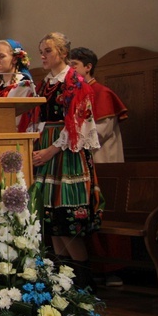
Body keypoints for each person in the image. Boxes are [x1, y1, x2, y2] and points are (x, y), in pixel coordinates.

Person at [32, 32, 104, 291]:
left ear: (63, 53)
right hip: (47, 149)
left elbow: (77, 122)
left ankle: (85, 284)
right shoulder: (45, 83)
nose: (43, 55)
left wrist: (51, 150)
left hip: (66, 153)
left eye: (48, 51)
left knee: (67, 222)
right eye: (41, 51)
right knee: (53, 223)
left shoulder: (75, 82)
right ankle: (65, 285)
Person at [69, 46, 130, 287]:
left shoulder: (101, 92)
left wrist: (68, 143)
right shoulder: (75, 92)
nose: (71, 71)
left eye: (74, 65)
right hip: (82, 163)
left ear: (87, 66)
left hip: (104, 163)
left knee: (103, 216)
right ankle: (94, 267)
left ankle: (114, 269)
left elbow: (101, 132)